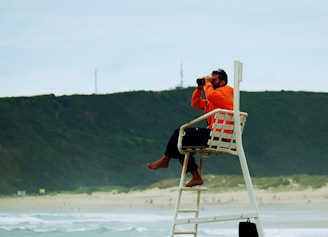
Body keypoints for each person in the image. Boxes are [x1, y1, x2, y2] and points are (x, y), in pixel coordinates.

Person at [147, 69, 233, 187]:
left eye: (214, 80)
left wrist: (207, 83)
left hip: (218, 135)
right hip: (215, 134)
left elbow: (211, 95)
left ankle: (165, 160)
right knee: (182, 145)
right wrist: (199, 88)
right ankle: (196, 177)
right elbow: (196, 103)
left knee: (179, 133)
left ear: (222, 82)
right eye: (210, 79)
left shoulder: (225, 92)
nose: (210, 81)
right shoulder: (215, 99)